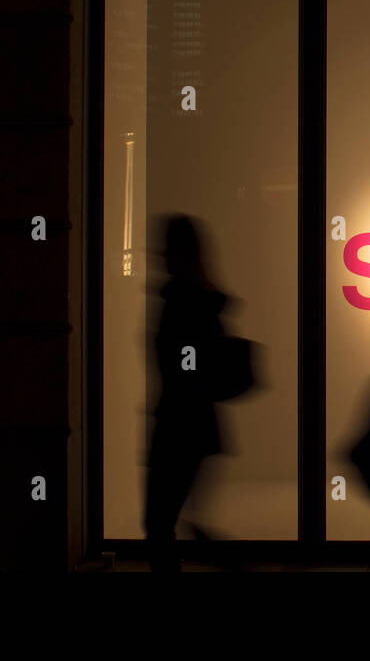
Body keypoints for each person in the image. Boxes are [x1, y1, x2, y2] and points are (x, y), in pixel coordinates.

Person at [144, 215, 227, 572]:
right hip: (194, 422)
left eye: (165, 247)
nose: (159, 254)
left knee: (160, 521)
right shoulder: (199, 298)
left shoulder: (182, 300)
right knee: (170, 519)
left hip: (179, 423)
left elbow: (182, 366)